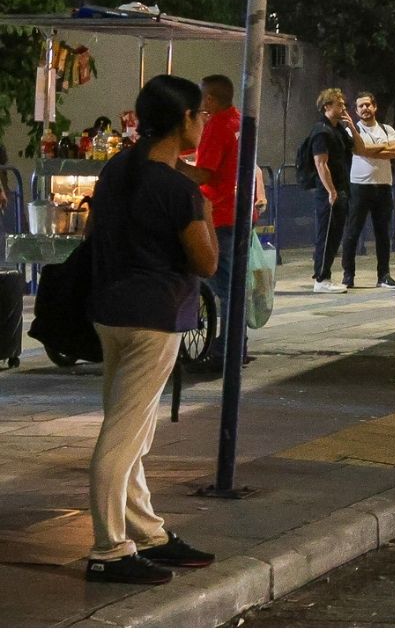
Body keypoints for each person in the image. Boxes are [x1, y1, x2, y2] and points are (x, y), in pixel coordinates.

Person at [85, 74, 218, 585]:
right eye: (200, 114)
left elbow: (97, 233)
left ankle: (148, 532)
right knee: (123, 437)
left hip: (110, 311)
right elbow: (205, 264)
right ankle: (109, 549)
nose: (204, 122)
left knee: (131, 427)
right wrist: (205, 213)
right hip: (154, 317)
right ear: (183, 119)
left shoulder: (117, 171)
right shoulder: (179, 191)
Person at [178, 75, 245, 367]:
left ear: (210, 100)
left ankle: (226, 349)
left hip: (217, 212)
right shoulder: (236, 120)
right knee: (230, 284)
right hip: (234, 209)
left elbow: (204, 172)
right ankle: (234, 345)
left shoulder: (217, 126)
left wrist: (174, 163)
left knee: (225, 285)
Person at [341, 92, 395, 289]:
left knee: (383, 233)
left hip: (383, 186)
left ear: (375, 107)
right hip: (359, 186)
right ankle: (348, 275)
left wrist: (370, 147)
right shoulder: (352, 130)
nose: (365, 109)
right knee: (353, 231)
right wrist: (382, 148)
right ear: (356, 111)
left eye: (368, 105)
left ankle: (383, 275)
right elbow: (359, 150)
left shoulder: (387, 129)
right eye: (361, 106)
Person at [308, 88, 354, 293]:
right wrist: (331, 191)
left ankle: (326, 275)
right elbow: (320, 163)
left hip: (342, 188)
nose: (343, 107)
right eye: (339, 104)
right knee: (326, 234)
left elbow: (358, 149)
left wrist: (351, 125)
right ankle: (321, 277)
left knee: (335, 234)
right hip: (329, 192)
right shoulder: (321, 131)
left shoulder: (338, 130)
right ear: (327, 106)